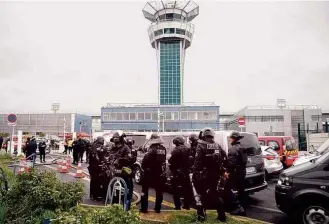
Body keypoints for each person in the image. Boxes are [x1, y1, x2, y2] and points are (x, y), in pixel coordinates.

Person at [192, 128, 226, 222]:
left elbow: (197, 162)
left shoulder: (201, 145)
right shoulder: (217, 145)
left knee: (200, 195)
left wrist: (195, 174)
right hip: (215, 175)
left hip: (203, 175)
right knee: (214, 193)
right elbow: (224, 157)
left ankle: (201, 217)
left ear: (204, 135)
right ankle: (222, 216)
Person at [140, 133, 167, 213]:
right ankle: (158, 208)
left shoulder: (152, 148)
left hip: (149, 172)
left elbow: (146, 159)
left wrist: (144, 167)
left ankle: (144, 209)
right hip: (159, 173)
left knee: (144, 190)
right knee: (159, 191)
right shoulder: (163, 148)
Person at [108, 132, 135, 209]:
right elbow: (109, 158)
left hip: (124, 175)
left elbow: (130, 158)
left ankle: (126, 210)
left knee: (125, 194)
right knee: (114, 194)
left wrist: (120, 160)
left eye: (117, 137)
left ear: (120, 139)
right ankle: (114, 210)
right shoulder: (112, 147)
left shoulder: (125, 148)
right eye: (114, 138)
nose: (115, 139)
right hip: (114, 175)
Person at [224, 132, 247, 216]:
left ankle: (238, 208)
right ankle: (243, 208)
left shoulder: (233, 149)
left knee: (227, 190)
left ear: (234, 138)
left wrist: (226, 171)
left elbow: (231, 163)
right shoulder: (242, 147)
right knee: (241, 190)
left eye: (230, 138)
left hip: (234, 172)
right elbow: (244, 161)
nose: (229, 139)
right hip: (242, 171)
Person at [168, 136, 191, 210]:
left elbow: (171, 161)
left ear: (176, 142)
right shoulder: (188, 149)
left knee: (175, 190)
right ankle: (187, 205)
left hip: (177, 173)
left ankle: (177, 206)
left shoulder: (176, 150)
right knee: (186, 189)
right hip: (186, 172)